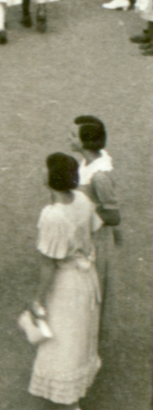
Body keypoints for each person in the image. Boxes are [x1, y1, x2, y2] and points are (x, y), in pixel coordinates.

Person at [24, 153, 101, 410]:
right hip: (86, 279)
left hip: (66, 285)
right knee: (76, 342)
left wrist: (37, 300)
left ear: (51, 178)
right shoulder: (82, 199)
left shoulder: (52, 216)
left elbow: (48, 264)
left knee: (61, 345)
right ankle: (69, 405)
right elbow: (94, 229)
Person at [71, 116, 120, 324]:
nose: (69, 137)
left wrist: (88, 210)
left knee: (93, 289)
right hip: (84, 234)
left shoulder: (99, 176)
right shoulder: (87, 163)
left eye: (73, 135)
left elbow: (114, 215)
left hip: (96, 240)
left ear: (86, 142)